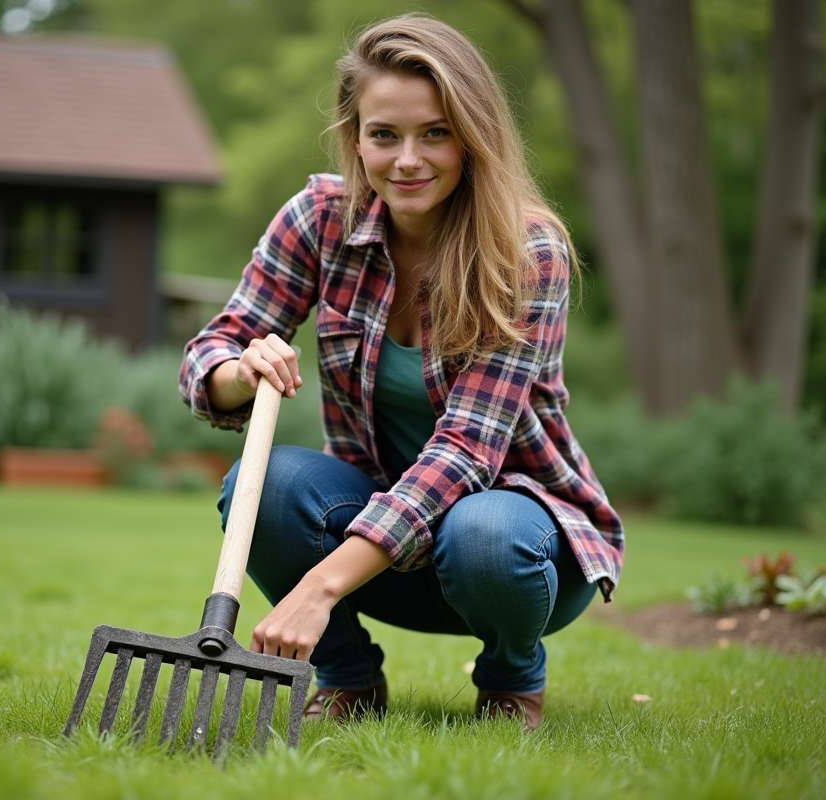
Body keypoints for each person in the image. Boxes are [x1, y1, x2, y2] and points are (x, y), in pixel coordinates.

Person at [178, 13, 623, 732]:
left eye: (435, 133)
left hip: (517, 554)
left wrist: (318, 588)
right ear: (357, 137)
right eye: (385, 134)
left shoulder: (526, 251)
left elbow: (466, 453)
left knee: (480, 532)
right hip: (382, 544)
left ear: (473, 138)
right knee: (266, 487)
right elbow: (212, 349)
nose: (407, 159)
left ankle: (512, 678)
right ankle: (348, 678)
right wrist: (239, 367)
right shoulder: (319, 220)